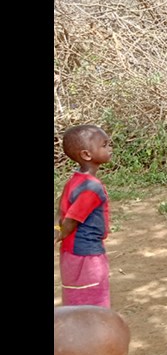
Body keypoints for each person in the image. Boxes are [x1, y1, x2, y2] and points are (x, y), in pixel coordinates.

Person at [56, 125, 114, 309]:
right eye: (104, 145)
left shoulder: (73, 181)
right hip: (87, 255)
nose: (109, 148)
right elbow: (71, 222)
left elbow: (59, 213)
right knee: (94, 304)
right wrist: (60, 233)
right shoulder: (92, 187)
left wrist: (57, 232)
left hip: (69, 255)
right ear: (87, 155)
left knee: (75, 299)